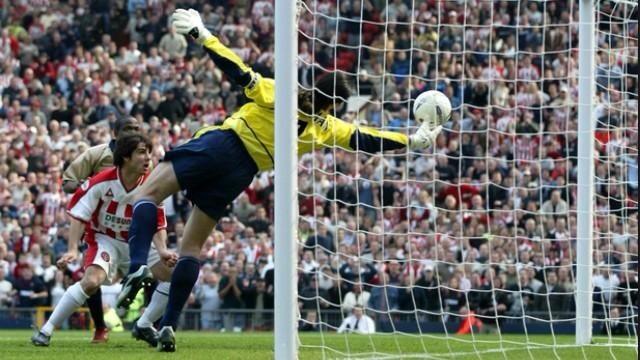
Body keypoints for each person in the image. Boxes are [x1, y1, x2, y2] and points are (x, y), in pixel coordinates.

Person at [117, 8, 443, 352]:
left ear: (316, 84)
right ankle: (168, 325)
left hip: (222, 145)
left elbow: (238, 71)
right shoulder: (326, 127)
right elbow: (368, 139)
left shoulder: (282, 94)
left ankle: (138, 267)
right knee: (192, 249)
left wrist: (202, 34)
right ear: (335, 106)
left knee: (146, 195)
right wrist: (413, 140)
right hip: (242, 172)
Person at [31, 134, 177, 347]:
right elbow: (79, 215)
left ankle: (144, 324)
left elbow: (157, 222)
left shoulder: (153, 185)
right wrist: (72, 249)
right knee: (90, 282)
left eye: (149, 152)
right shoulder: (101, 182)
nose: (148, 158)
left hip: (139, 241)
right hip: (105, 238)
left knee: (176, 277)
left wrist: (163, 250)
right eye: (142, 152)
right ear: (126, 157)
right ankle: (46, 330)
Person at [60, 116, 140, 343]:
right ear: (115, 133)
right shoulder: (96, 155)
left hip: (131, 223)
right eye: (127, 129)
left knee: (149, 269)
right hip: (100, 226)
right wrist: (92, 185)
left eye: (136, 128)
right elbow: (67, 182)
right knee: (93, 277)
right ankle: (100, 327)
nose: (133, 132)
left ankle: (146, 323)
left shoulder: (145, 158)